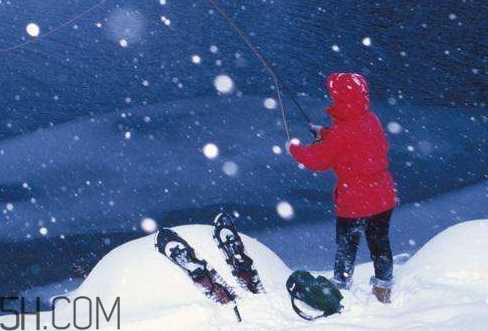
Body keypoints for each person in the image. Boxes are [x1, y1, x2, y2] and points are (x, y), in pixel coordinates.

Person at [286, 73, 397, 304]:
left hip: (355, 201)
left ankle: (342, 286)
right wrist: (325, 133)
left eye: (334, 95)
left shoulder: (342, 133)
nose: (331, 98)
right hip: (383, 197)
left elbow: (318, 160)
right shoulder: (371, 120)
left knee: (347, 246)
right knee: (380, 243)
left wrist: (294, 149)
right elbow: (353, 140)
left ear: (341, 99)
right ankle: (383, 288)